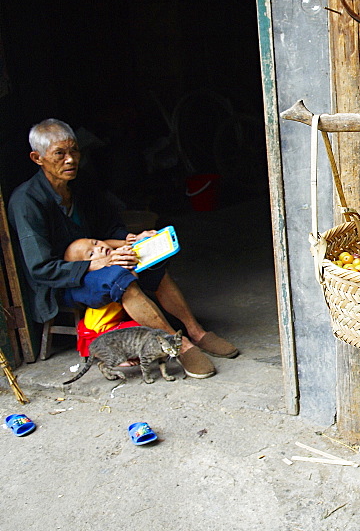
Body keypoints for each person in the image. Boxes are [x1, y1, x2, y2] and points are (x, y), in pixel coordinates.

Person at [8, 118, 239, 378]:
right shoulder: (26, 202)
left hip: (98, 256)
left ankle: (195, 331)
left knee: (150, 261)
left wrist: (132, 238)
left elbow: (108, 228)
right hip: (62, 281)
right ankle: (181, 347)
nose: (71, 159)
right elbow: (41, 269)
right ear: (37, 158)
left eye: (74, 150)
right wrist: (99, 263)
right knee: (121, 276)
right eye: (59, 154)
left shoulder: (81, 184)